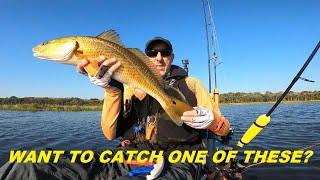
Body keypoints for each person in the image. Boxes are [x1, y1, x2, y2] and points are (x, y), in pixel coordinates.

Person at [0, 37, 230, 180]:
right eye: (152, 53)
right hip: (131, 157)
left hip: (178, 161)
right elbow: (110, 134)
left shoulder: (191, 84)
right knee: (28, 165)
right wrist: (111, 90)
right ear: (145, 57)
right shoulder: (127, 87)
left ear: (172, 57)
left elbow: (224, 130)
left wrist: (209, 120)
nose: (158, 58)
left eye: (165, 53)